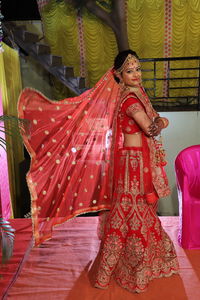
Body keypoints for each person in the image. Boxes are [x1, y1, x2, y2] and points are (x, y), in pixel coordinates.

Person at [18, 49, 178, 294]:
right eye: (129, 71)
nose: (136, 74)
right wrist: (161, 122)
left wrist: (159, 121)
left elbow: (153, 122)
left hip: (133, 161)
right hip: (131, 166)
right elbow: (150, 128)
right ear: (118, 75)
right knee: (131, 212)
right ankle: (130, 270)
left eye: (137, 69)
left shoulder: (135, 94)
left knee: (137, 212)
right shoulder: (131, 100)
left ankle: (129, 266)